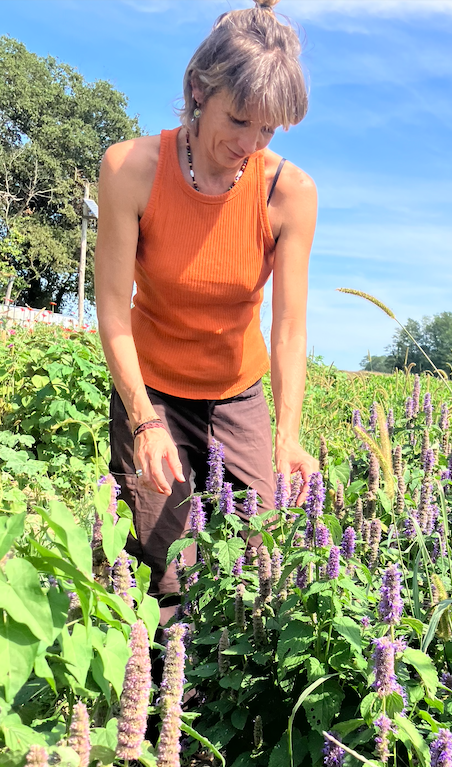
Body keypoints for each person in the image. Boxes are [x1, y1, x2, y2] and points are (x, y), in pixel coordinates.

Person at [95, 0, 318, 620]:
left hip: (237, 396)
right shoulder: (131, 169)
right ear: (198, 89)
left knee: (259, 561)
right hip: (153, 390)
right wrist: (144, 422)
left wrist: (288, 436)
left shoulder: (290, 194)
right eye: (238, 120)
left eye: (267, 130)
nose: (248, 145)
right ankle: (154, 677)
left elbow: (289, 329)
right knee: (159, 571)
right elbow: (112, 310)